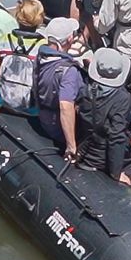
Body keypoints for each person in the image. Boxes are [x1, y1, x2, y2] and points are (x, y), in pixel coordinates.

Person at [76, 48, 131, 189]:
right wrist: (115, 173)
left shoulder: (85, 90)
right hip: (104, 159)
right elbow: (116, 137)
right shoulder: (121, 98)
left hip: (87, 151)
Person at [0, 0, 47, 112]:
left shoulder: (4, 40)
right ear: (39, 19)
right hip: (31, 105)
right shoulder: (44, 46)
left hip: (6, 100)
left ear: (18, 17)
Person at [34, 17, 84, 158]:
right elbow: (65, 106)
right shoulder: (69, 71)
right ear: (69, 40)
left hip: (43, 118)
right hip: (60, 129)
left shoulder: (39, 57)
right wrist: (71, 146)